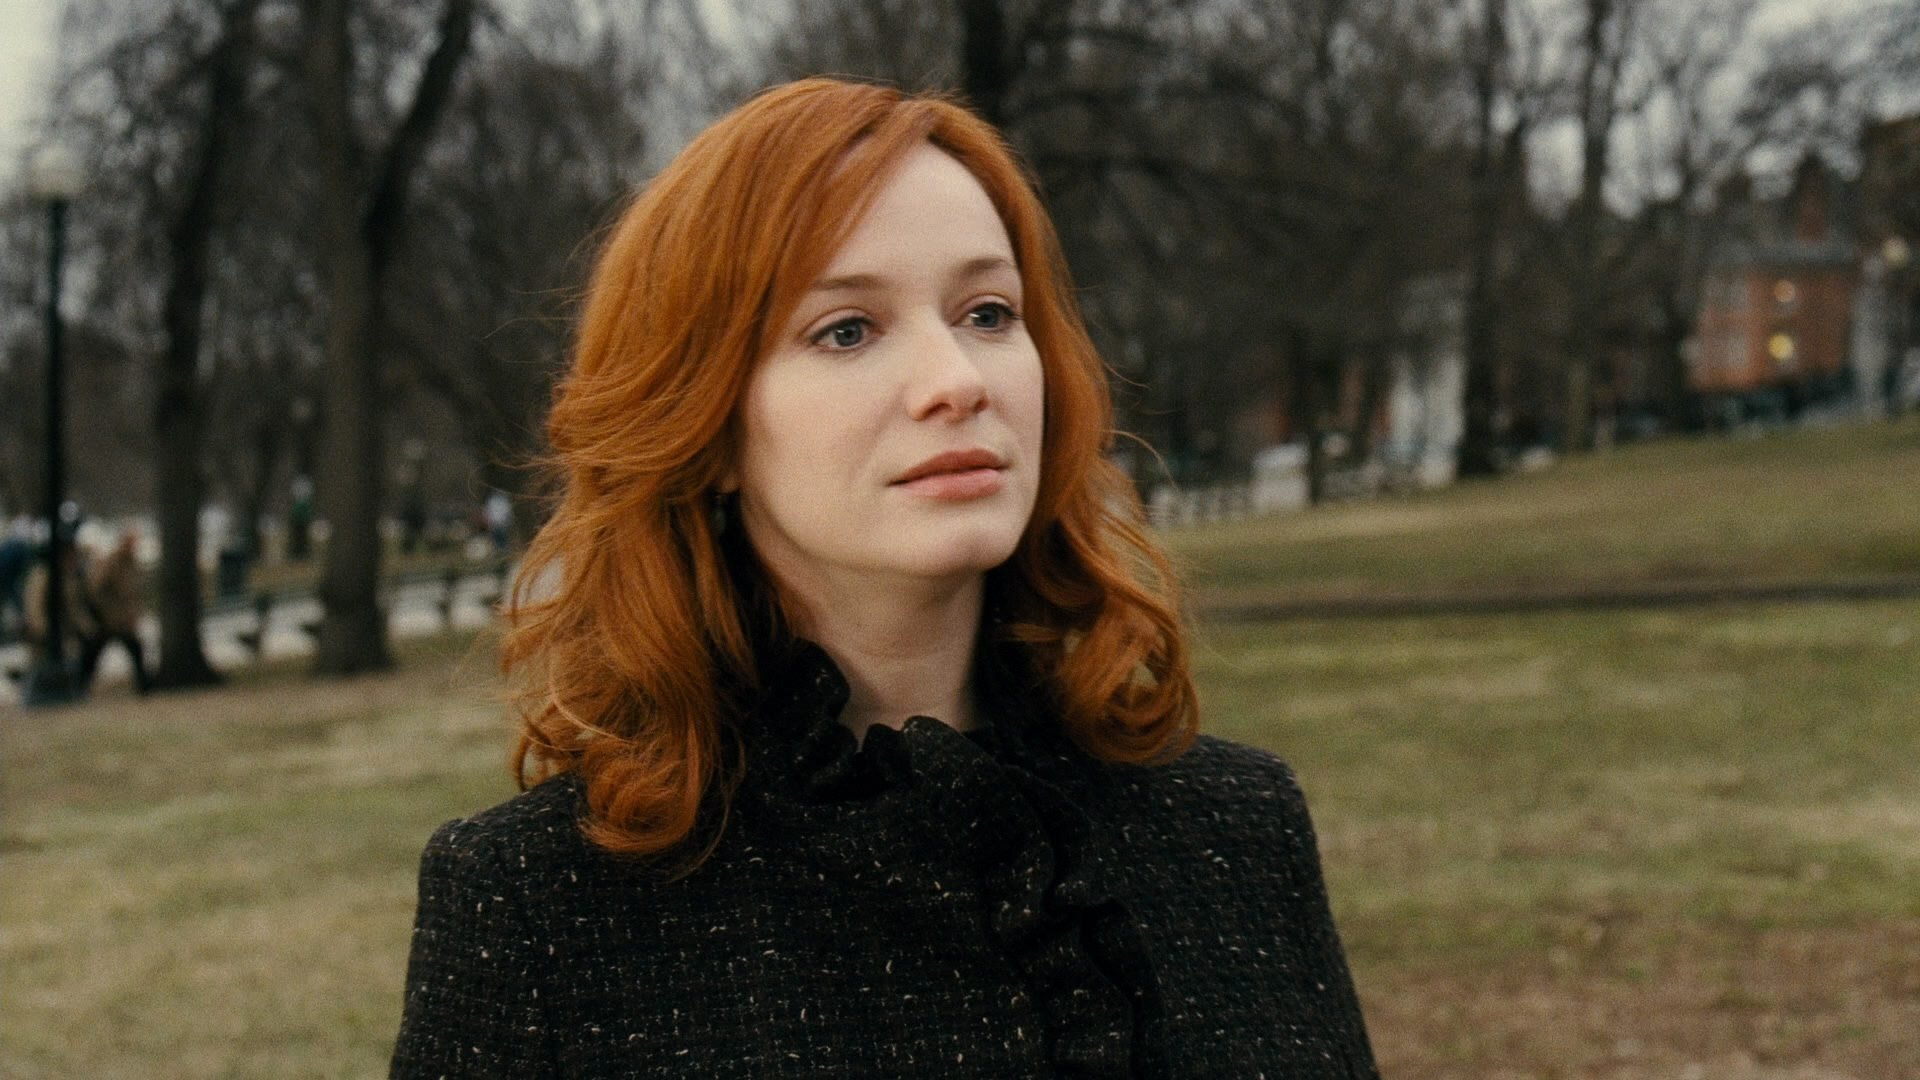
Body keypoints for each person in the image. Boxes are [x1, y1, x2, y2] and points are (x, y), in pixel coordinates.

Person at [390, 78, 1378, 1078]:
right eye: (847, 330)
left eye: (989, 313)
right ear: (707, 424)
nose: (958, 380)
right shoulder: (537, 910)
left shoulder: (1238, 827)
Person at [75, 528, 152, 696]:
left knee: (135, 650)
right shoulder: (111, 562)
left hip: (123, 620)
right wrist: (106, 611)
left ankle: (144, 686)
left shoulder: (133, 564)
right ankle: (80, 686)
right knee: (93, 654)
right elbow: (96, 589)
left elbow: (134, 594)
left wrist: (134, 613)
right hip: (107, 619)